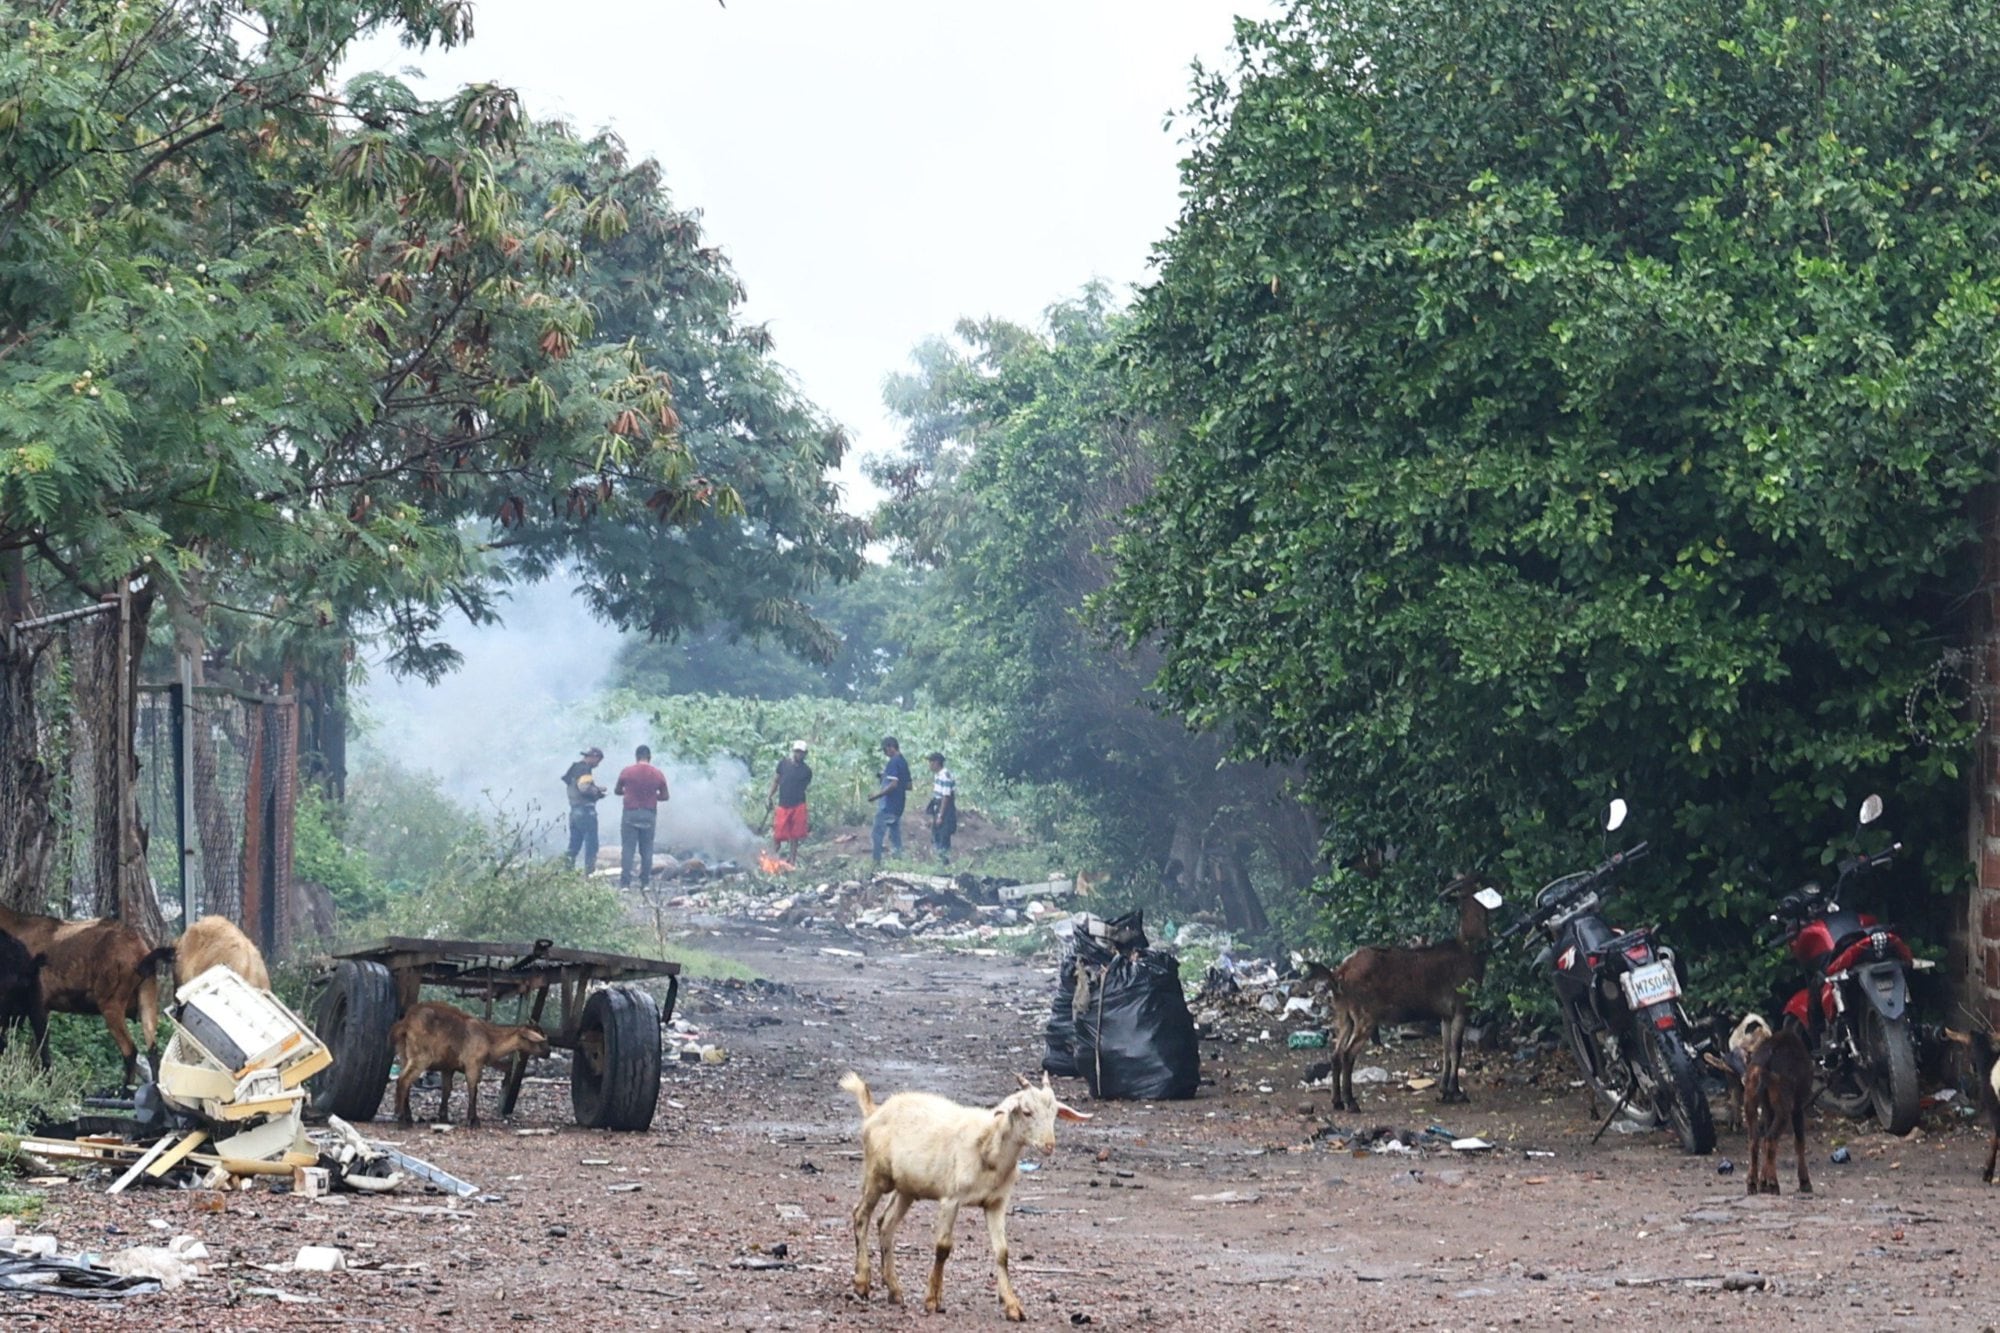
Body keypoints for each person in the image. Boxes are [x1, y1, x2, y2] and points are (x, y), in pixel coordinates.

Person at [614, 745, 670, 889]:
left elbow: (617, 791)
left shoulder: (627, 772)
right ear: (649, 758)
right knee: (647, 849)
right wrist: (652, 795)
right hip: (648, 813)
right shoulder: (658, 774)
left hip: (630, 813)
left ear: (636, 757)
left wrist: (629, 792)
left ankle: (625, 883)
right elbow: (665, 796)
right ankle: (645, 882)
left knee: (628, 849)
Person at [867, 735, 912, 867]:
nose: (885, 753)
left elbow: (893, 784)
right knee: (895, 836)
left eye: (885, 750)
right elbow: (908, 785)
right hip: (899, 805)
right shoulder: (903, 762)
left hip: (888, 805)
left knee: (877, 834)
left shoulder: (893, 761)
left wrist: (876, 795)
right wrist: (885, 777)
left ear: (890, 747)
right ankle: (899, 863)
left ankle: (876, 863)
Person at [560, 746, 606, 872]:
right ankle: (589, 873)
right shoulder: (585, 769)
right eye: (598, 761)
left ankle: (567, 872)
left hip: (574, 811)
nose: (597, 764)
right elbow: (584, 788)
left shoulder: (574, 768)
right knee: (591, 844)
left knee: (574, 844)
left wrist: (597, 787)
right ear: (593, 757)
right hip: (585, 811)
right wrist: (597, 792)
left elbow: (575, 786)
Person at [767, 740, 813, 860]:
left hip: (798, 805)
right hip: (783, 804)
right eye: (797, 752)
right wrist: (770, 796)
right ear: (793, 752)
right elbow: (776, 780)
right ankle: (771, 858)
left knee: (795, 835)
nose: (799, 754)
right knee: (778, 834)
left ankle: (792, 860)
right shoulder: (783, 764)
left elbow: (804, 787)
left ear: (805, 754)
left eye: (801, 752)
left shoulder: (807, 771)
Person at [924, 751, 957, 866]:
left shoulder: (945, 776)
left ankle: (944, 863)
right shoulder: (938, 775)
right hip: (937, 806)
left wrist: (940, 815)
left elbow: (946, 797)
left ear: (937, 763)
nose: (930, 765)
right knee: (937, 835)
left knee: (943, 836)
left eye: (931, 762)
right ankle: (940, 861)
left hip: (945, 809)